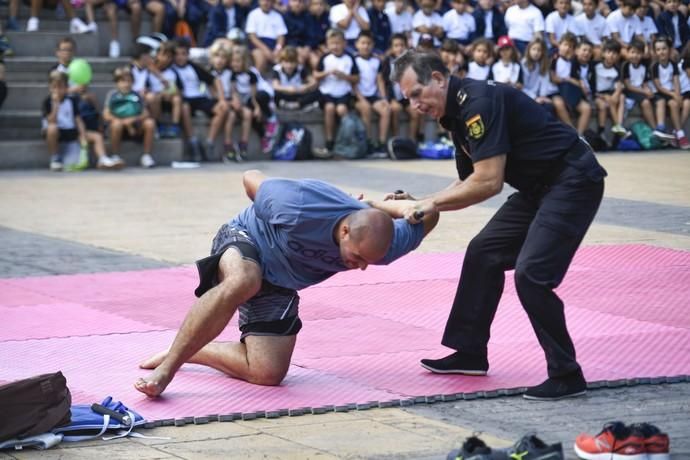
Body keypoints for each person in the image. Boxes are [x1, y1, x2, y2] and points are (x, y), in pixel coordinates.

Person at [391, 50, 607, 400]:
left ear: (438, 78)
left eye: (417, 94)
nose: (415, 105)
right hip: (538, 187)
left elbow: (489, 182)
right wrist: (420, 200)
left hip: (572, 179)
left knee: (532, 274)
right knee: (483, 252)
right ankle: (470, 352)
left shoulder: (477, 103)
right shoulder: (455, 115)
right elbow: (468, 182)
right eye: (408, 99)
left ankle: (566, 373)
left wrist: (427, 204)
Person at [135, 170, 439, 397]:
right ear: (345, 231)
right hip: (245, 240)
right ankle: (168, 368)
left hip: (278, 282)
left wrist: (396, 208)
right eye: (356, 257)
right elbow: (250, 177)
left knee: (267, 373)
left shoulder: (380, 245)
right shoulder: (299, 206)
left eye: (367, 262)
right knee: (245, 280)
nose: (359, 267)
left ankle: (191, 348)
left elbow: (432, 213)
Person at [103, 66, 157, 168]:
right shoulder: (112, 95)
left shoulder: (137, 95)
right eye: (122, 81)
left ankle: (146, 156)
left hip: (136, 127)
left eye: (129, 81)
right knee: (116, 125)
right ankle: (115, 156)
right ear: (117, 83)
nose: (126, 84)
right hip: (118, 127)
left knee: (150, 123)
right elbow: (106, 114)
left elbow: (145, 113)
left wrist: (132, 120)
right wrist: (122, 122)